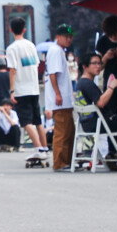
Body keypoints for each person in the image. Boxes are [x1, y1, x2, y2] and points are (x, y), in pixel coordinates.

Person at [73, 52, 117, 162]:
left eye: (100, 63)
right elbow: (100, 102)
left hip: (89, 123)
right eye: (94, 63)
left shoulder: (81, 83)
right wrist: (112, 87)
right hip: (99, 123)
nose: (98, 66)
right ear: (85, 66)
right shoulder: (87, 83)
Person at [5, 16, 49, 162]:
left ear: (11, 30)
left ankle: (38, 149)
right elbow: (36, 65)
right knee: (38, 120)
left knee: (26, 121)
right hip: (34, 87)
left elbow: (13, 70)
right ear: (24, 30)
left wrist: (12, 91)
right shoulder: (30, 45)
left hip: (21, 88)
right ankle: (45, 147)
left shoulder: (11, 48)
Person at [44, 24, 75, 172]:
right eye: (65, 36)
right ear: (58, 37)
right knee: (62, 132)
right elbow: (52, 74)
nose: (69, 39)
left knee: (68, 131)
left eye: (70, 36)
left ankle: (67, 160)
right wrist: (57, 93)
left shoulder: (60, 51)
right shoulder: (56, 51)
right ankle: (59, 162)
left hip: (64, 99)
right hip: (60, 99)